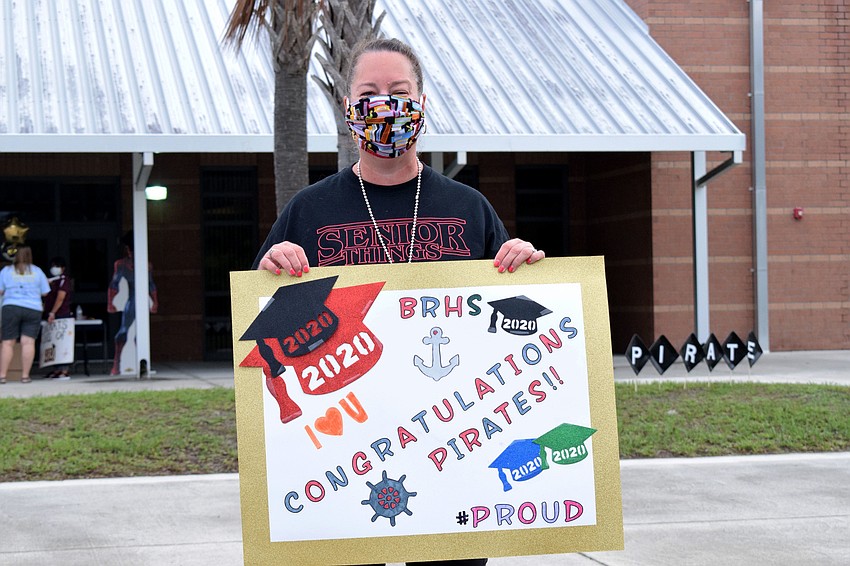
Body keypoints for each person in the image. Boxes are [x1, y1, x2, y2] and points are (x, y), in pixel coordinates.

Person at [254, 37, 544, 566]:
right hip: (345, 457)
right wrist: (273, 266)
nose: (385, 105)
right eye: (369, 93)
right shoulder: (310, 210)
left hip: (452, 452)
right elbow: (261, 320)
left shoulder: (469, 208)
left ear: (423, 102)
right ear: (348, 111)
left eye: (399, 91)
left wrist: (525, 266)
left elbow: (512, 309)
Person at [107, 232, 158, 376]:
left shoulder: (146, 265)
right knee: (123, 331)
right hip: (132, 300)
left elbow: (151, 284)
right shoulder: (122, 265)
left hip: (141, 299)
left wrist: (155, 302)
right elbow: (114, 284)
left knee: (140, 333)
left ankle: (141, 362)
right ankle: (117, 364)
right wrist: (111, 302)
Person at [0, 246, 50, 384]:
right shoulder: (37, 271)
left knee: (7, 343)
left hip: (11, 307)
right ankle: (25, 376)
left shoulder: (6, 271)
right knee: (28, 342)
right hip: (33, 308)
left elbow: (0, 290)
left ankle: (2, 376)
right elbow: (45, 292)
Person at [43, 256, 73, 379]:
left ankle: (64, 369)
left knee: (62, 342)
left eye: (57, 266)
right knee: (53, 342)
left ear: (63, 268)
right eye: (53, 266)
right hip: (51, 314)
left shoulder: (64, 281)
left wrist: (53, 312)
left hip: (61, 315)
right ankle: (56, 369)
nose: (54, 269)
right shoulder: (52, 281)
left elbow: (60, 298)